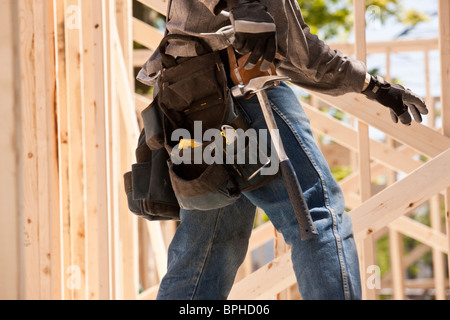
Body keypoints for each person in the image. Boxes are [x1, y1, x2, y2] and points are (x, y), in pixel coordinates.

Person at [137, 0, 428, 300]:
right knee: (318, 219)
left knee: (207, 247)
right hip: (242, 91)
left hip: (188, 98)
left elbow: (298, 50)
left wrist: (373, 87)